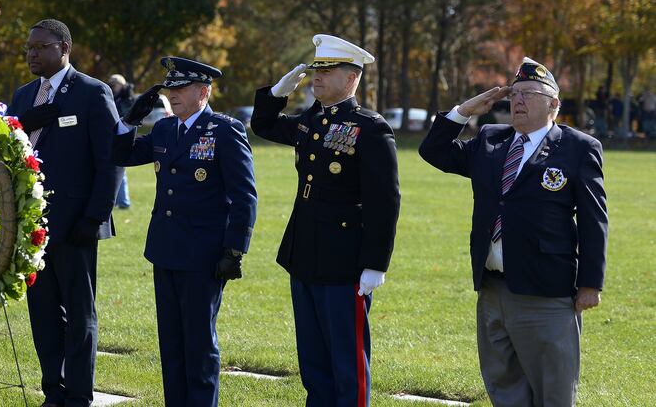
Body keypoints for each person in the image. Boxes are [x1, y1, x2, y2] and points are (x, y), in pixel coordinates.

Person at [419, 57, 608, 406]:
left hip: (545, 291)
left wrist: (591, 284)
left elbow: (595, 220)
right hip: (492, 289)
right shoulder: (491, 139)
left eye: (529, 93)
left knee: (553, 390)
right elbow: (433, 151)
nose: (517, 100)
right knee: (504, 387)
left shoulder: (577, 148)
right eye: (514, 93)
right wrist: (464, 110)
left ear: (554, 104)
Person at [251, 34, 400, 406]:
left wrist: (375, 263)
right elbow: (264, 125)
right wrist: (276, 92)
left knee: (347, 364)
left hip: (344, 260)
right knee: (314, 364)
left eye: (327, 70)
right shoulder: (311, 120)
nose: (317, 77)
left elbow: (385, 200)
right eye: (316, 70)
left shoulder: (370, 127)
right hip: (304, 254)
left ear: (352, 78)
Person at [111, 57, 257, 407]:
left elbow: (244, 195)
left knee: (199, 345)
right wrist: (128, 119)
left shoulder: (225, 130)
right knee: (172, 345)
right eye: (170, 88)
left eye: (181, 88)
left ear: (203, 92)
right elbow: (120, 154)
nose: (173, 94)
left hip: (203, 256)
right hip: (165, 250)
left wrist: (234, 251)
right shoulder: (164, 128)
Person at [7, 19, 122, 407]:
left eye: (40, 47)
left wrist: (96, 217)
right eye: (28, 48)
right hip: (32, 227)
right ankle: (52, 391)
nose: (32, 54)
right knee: (42, 314)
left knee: (78, 313)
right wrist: (18, 124)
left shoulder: (92, 92)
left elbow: (111, 160)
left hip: (76, 226)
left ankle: (78, 394)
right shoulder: (23, 97)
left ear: (64, 48)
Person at [107, 74, 136, 209]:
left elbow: (124, 117)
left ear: (121, 85)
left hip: (122, 136)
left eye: (114, 85)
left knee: (120, 169)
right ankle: (121, 201)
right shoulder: (119, 97)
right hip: (117, 135)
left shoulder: (126, 98)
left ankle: (123, 201)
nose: (113, 88)